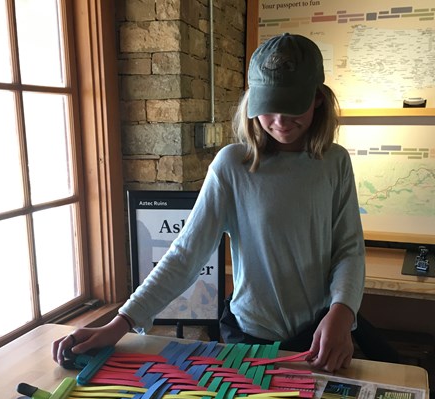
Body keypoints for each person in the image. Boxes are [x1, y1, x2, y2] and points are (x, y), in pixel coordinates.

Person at [53, 33, 365, 372]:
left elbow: (348, 250)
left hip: (319, 334)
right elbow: (186, 254)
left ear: (318, 99)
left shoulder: (335, 163)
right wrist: (120, 323)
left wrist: (342, 312)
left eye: (293, 106)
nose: (280, 120)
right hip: (250, 339)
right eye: (269, 106)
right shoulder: (233, 166)